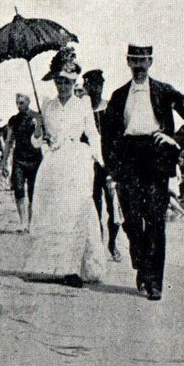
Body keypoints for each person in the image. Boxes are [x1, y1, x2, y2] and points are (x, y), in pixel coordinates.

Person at [103, 44, 184, 301]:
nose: (138, 66)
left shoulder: (163, 91)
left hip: (156, 158)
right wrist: (112, 170)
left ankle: (154, 281)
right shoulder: (118, 96)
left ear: (150, 62)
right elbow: (108, 137)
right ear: (127, 62)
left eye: (143, 60)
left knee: (156, 222)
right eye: (134, 61)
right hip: (128, 160)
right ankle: (141, 263)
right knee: (132, 220)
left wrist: (175, 140)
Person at [23, 48, 106, 287]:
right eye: (59, 81)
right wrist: (38, 130)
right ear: (54, 81)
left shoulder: (83, 104)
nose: (63, 86)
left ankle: (73, 269)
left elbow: (92, 134)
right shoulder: (47, 106)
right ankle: (52, 265)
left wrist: (101, 161)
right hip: (54, 163)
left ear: (75, 81)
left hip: (77, 163)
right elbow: (36, 142)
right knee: (54, 214)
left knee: (77, 211)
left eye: (68, 82)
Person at [82, 68, 122, 260]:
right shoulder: (82, 111)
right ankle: (98, 245)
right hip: (89, 165)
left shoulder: (110, 108)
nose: (96, 89)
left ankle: (112, 243)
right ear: (86, 86)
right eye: (92, 85)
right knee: (94, 207)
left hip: (110, 164)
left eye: (100, 85)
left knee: (114, 207)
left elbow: (118, 137)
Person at [3, 93, 43, 233]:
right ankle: (23, 223)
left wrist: (38, 125)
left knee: (33, 192)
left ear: (28, 102)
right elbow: (9, 141)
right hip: (19, 159)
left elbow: (42, 137)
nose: (19, 106)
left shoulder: (38, 116)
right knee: (19, 190)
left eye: (21, 103)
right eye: (17, 103)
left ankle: (31, 224)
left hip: (35, 159)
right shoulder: (13, 120)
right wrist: (4, 161)